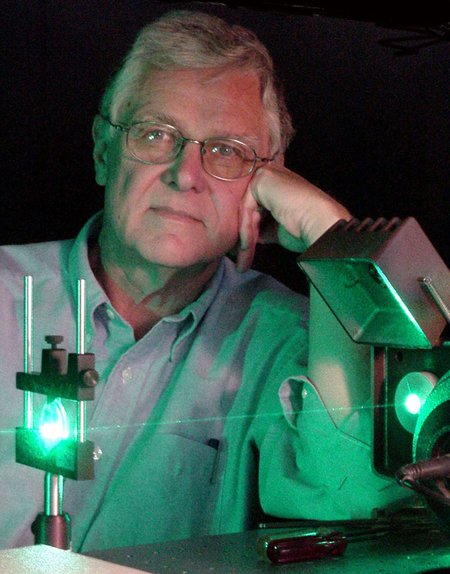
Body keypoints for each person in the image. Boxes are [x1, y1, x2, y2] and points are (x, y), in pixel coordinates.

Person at [0, 10, 409, 552]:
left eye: (225, 152)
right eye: (154, 134)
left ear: (269, 179)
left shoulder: (289, 339)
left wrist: (331, 233)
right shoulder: (7, 294)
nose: (184, 175)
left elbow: (365, 502)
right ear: (104, 151)